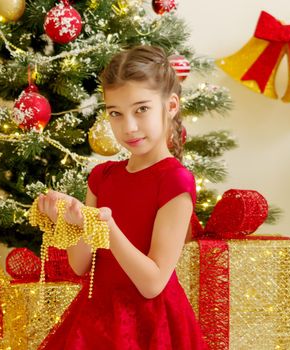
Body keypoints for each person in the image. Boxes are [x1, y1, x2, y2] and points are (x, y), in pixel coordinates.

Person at [37, 45, 207, 349]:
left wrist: (105, 226)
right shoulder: (103, 178)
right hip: (96, 320)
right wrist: (68, 219)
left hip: (152, 327)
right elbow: (80, 265)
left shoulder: (175, 181)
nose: (128, 127)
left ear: (170, 106)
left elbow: (153, 283)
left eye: (141, 109)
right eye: (116, 113)